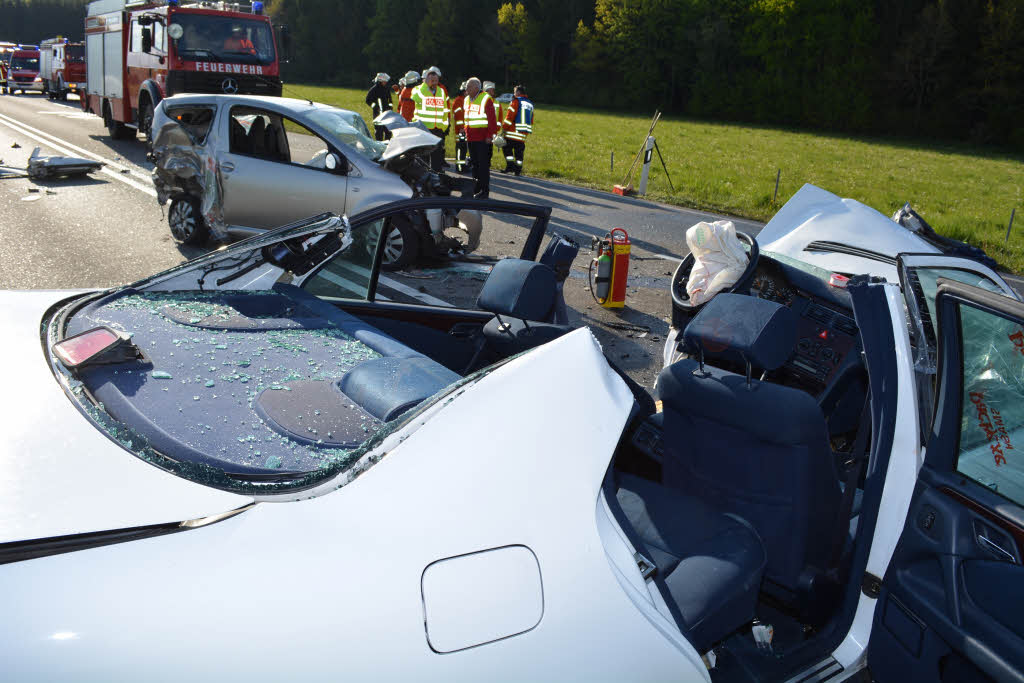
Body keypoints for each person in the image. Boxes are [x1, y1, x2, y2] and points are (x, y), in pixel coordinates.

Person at [463, 77, 498, 198]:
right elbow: (467, 117)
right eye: (467, 86)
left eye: (469, 86)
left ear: (477, 88)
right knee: (474, 165)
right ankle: (476, 187)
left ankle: (484, 191)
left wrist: (490, 136)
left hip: (483, 139)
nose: (466, 88)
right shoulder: (467, 99)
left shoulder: (486, 98)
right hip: (471, 138)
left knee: (483, 166)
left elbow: (492, 121)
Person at [411, 65, 450, 171]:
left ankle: (436, 180)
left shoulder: (441, 91)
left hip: (438, 129)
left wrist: (444, 126)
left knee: (437, 157)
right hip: (423, 128)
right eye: (431, 80)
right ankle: (423, 180)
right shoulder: (418, 89)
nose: (434, 82)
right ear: (426, 79)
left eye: (436, 80)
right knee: (423, 157)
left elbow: (445, 110)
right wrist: (425, 85)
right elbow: (415, 97)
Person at [501, 85, 534, 175]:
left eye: (514, 92)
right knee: (519, 154)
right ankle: (518, 170)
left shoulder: (516, 101)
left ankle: (510, 166)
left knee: (506, 148)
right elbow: (531, 120)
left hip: (512, 132)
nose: (514, 94)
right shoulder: (530, 104)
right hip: (523, 135)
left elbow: (509, 117)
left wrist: (504, 128)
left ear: (518, 93)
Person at [365, 72, 394, 141]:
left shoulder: (386, 89)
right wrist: (375, 106)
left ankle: (388, 143)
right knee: (379, 130)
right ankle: (379, 144)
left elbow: (390, 99)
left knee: (388, 130)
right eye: (384, 81)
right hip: (378, 113)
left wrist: (390, 106)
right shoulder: (374, 89)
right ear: (380, 81)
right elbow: (367, 100)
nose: (386, 82)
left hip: (386, 113)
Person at [483, 81, 502, 168]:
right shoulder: (482, 100)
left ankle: (487, 163)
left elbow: (500, 116)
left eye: (493, 90)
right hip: (482, 128)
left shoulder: (497, 103)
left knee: (489, 147)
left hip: (492, 129)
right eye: (490, 90)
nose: (492, 92)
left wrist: (497, 127)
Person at [451, 81, 468, 172]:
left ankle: (462, 165)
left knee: (464, 148)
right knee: (460, 148)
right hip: (461, 130)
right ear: (464, 91)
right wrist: (462, 128)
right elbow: (459, 115)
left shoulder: (465, 100)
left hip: (465, 129)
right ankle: (460, 167)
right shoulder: (458, 100)